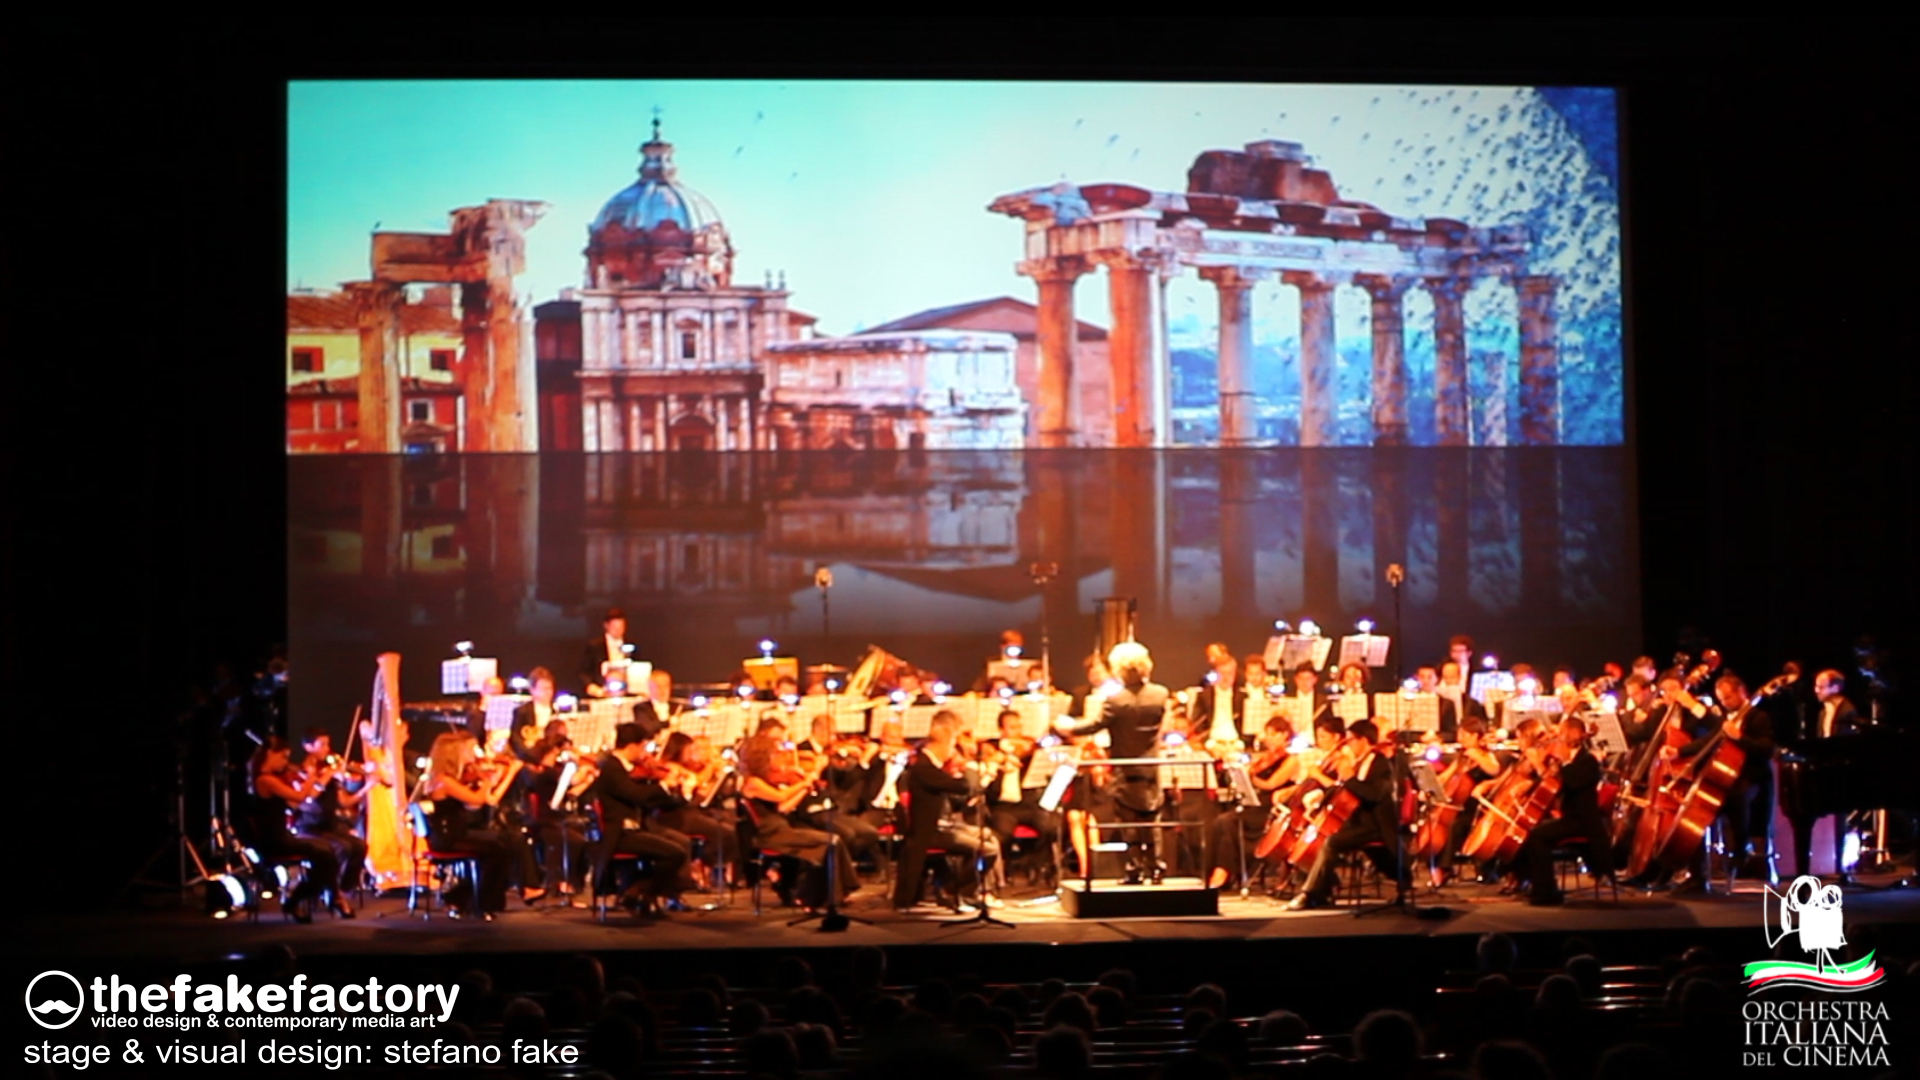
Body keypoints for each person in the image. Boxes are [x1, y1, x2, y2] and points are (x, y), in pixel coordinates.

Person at [1055, 641, 1170, 885]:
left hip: (1125, 768)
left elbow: (1094, 725)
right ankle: (1156, 867)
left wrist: (1068, 726)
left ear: (1119, 669)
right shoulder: (1160, 695)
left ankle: (1134, 868)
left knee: (1128, 820)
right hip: (1151, 766)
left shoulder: (1116, 701)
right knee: (1152, 819)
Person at [1288, 719, 1403, 910]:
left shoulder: (1380, 763)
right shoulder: (1359, 763)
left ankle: (1309, 893)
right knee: (1321, 837)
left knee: (1331, 842)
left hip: (1375, 824)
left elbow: (1374, 794)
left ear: (1363, 740)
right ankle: (1323, 891)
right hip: (1357, 822)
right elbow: (1346, 792)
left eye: (1351, 740)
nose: (1348, 745)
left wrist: (1349, 778)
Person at [893, 710, 1001, 909]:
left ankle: (976, 891)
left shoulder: (932, 767)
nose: (953, 750)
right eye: (952, 744)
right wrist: (969, 768)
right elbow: (962, 787)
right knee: (987, 849)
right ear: (943, 740)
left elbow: (957, 798)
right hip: (930, 833)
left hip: (943, 826)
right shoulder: (924, 767)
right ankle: (955, 890)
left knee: (987, 835)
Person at [740, 732, 855, 909]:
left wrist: (805, 787)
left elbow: (784, 807)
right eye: (775, 755)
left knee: (832, 842)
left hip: (782, 830)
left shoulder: (766, 779)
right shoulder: (752, 782)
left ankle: (831, 895)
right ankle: (827, 897)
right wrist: (805, 781)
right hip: (769, 835)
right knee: (831, 842)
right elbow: (781, 796)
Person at [588, 723, 693, 915]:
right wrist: (663, 785)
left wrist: (677, 794)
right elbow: (637, 795)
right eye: (643, 747)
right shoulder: (612, 768)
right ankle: (640, 891)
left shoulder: (625, 767)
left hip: (637, 828)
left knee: (680, 843)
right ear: (632, 747)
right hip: (621, 833)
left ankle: (643, 893)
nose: (645, 753)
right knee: (675, 853)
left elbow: (648, 799)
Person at [422, 730, 522, 917]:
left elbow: (472, 805)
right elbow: (477, 801)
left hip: (453, 833)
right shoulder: (444, 781)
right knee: (497, 849)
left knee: (502, 842)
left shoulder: (448, 779)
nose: (472, 756)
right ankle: (480, 901)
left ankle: (466, 897)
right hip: (449, 838)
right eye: (466, 751)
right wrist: (486, 780)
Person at [247, 736, 348, 921]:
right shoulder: (265, 780)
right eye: (283, 757)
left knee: (327, 851)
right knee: (325, 855)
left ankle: (321, 896)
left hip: (281, 838)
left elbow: (293, 804)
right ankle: (298, 899)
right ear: (270, 754)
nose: (286, 762)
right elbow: (300, 796)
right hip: (273, 842)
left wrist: (308, 782)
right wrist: (311, 777)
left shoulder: (271, 780)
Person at [1516, 717, 1611, 905]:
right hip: (1571, 819)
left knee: (1537, 837)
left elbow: (1566, 784)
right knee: (1528, 831)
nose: (1558, 738)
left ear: (1573, 734)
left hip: (1584, 821)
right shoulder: (1568, 761)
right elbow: (1554, 782)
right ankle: (1534, 885)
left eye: (1561, 733)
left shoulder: (1588, 761)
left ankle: (1547, 892)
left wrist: (1542, 765)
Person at [292, 728, 368, 908]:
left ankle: (342, 889)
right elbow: (310, 796)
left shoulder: (328, 772)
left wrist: (367, 787)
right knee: (342, 848)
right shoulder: (303, 772)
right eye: (322, 744)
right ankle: (328, 888)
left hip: (328, 827)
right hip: (309, 828)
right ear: (308, 747)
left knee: (360, 846)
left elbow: (344, 801)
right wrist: (328, 774)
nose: (328, 749)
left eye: (328, 744)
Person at [510, 668, 561, 763]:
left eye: (550, 688)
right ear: (532, 690)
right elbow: (515, 739)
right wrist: (529, 755)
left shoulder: (557, 711)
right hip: (529, 756)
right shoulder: (522, 711)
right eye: (543, 689)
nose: (548, 692)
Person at [581, 607, 635, 698]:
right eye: (615, 627)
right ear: (606, 626)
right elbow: (584, 671)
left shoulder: (630, 644)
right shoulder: (595, 646)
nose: (618, 631)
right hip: (602, 691)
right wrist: (591, 686)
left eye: (621, 627)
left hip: (626, 691)